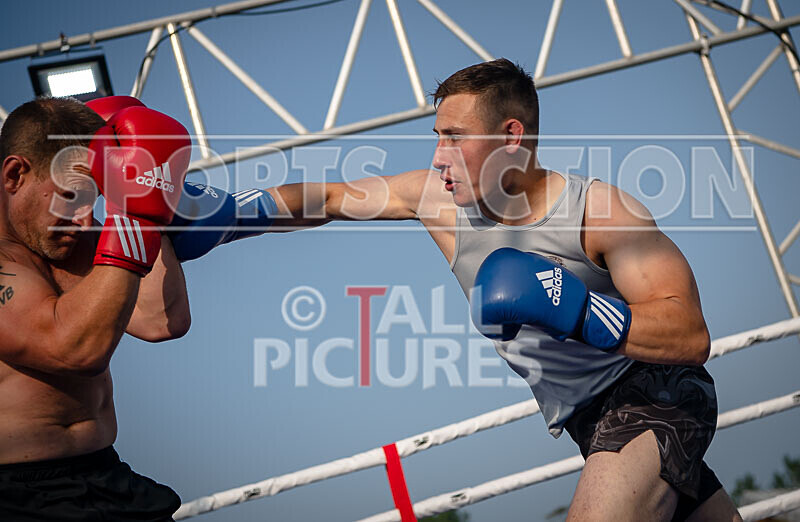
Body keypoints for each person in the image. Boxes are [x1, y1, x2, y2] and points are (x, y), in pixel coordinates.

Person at [256, 58, 743, 521]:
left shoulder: (600, 212)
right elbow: (330, 198)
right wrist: (230, 214)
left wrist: (578, 310)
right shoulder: (436, 202)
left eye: (455, 138)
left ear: (511, 136)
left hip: (656, 392)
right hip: (588, 419)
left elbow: (689, 334)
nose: (438, 157)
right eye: (437, 137)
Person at [0, 96, 192, 521]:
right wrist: (134, 219)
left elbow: (163, 319)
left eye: (98, 197)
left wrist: (142, 199)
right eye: (71, 195)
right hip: (17, 497)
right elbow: (74, 349)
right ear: (15, 175)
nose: (86, 220)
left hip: (108, 476)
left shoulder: (68, 238)